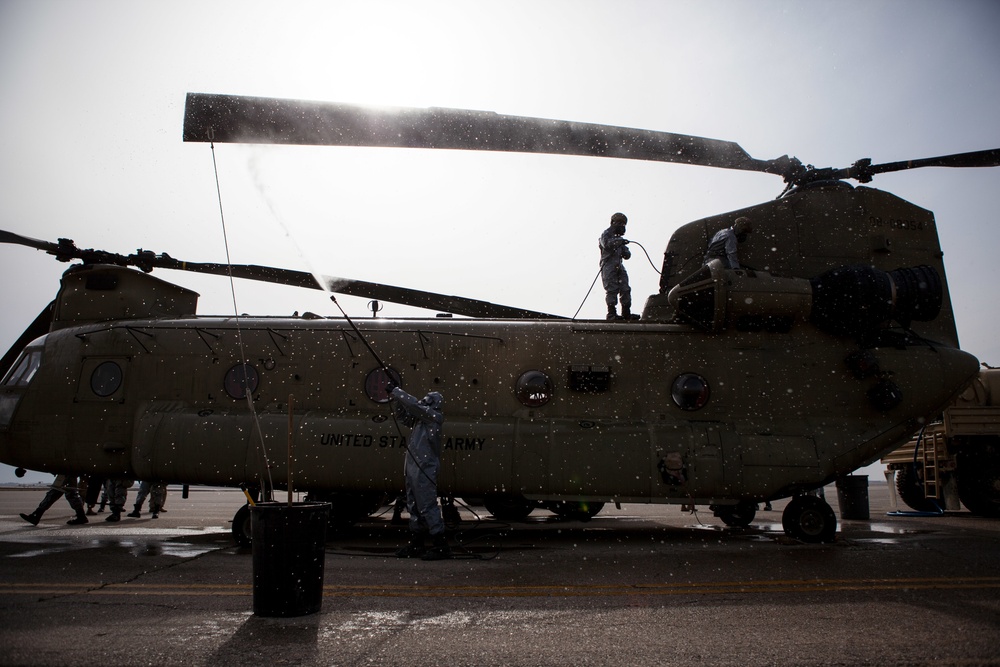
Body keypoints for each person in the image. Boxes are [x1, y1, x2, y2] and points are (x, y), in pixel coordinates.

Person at [386, 381, 451, 560]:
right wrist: (396, 399)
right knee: (413, 504)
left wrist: (397, 391)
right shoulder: (420, 421)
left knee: (427, 505)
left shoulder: (433, 418)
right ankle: (417, 543)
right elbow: (402, 416)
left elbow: (414, 406)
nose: (422, 402)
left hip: (425, 468)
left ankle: (440, 544)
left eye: (426, 400)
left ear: (432, 404)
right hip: (414, 467)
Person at [598, 212, 639, 321]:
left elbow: (627, 255)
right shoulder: (606, 234)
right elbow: (606, 244)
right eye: (619, 223)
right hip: (608, 265)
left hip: (619, 266)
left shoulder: (619, 239)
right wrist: (620, 241)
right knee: (612, 289)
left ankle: (626, 313)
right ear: (613, 223)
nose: (622, 226)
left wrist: (625, 249)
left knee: (625, 288)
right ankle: (612, 314)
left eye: (623, 224)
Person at [19, 474, 88, 526]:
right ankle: (81, 516)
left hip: (67, 470)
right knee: (67, 492)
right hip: (68, 471)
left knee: (60, 491)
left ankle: (36, 515)